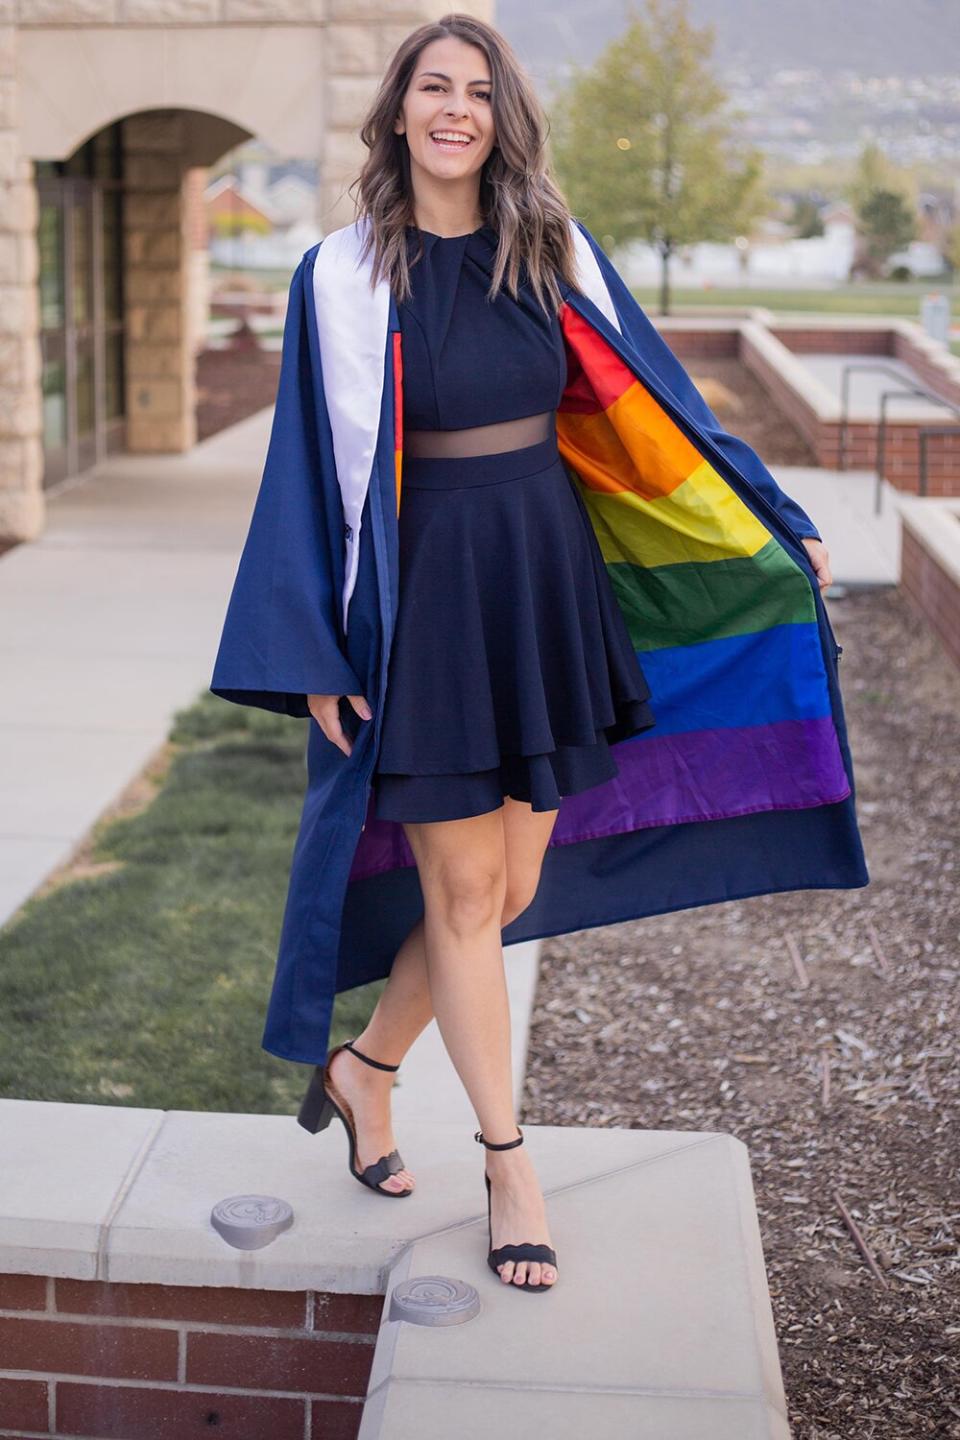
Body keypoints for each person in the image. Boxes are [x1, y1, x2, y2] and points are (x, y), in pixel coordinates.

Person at [211, 13, 866, 1296]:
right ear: (398, 111)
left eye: (479, 92)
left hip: (543, 582)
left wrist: (774, 514)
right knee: (463, 899)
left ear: (503, 118)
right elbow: (300, 471)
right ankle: (509, 1161)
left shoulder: (547, 245)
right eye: (434, 89)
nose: (456, 109)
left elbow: (662, 397)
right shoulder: (340, 278)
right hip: (430, 608)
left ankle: (365, 1071)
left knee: (507, 890)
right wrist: (312, 652)